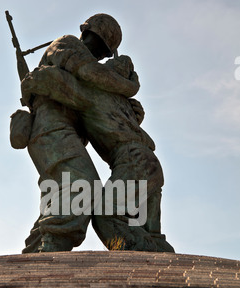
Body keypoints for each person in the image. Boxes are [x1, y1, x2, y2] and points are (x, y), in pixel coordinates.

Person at [14, 13, 174, 253]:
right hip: (50, 128)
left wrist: (124, 102)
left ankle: (46, 241)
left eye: (105, 54)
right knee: (81, 185)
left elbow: (93, 95)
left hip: (87, 140)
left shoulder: (98, 94)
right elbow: (83, 73)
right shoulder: (67, 45)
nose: (101, 57)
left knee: (71, 189)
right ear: (88, 33)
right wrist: (130, 87)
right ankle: (51, 242)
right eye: (102, 49)